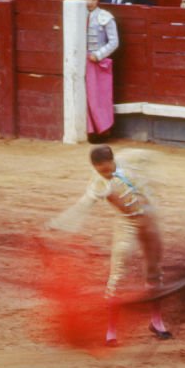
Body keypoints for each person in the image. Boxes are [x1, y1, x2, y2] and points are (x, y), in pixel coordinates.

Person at [46, 146, 171, 344]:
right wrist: (60, 223)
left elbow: (148, 156)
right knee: (118, 275)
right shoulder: (98, 183)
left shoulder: (129, 158)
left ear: (113, 160)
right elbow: (83, 206)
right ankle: (111, 331)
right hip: (127, 223)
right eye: (100, 171)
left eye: (106, 169)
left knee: (154, 271)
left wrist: (158, 180)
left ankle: (157, 321)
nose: (105, 174)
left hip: (149, 219)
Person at [81, 0, 119, 144]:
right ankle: (89, 130)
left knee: (99, 97)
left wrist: (98, 55)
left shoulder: (105, 17)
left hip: (98, 62)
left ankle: (103, 130)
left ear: (98, 0)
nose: (89, 1)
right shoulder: (78, 15)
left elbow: (114, 41)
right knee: (86, 96)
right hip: (81, 62)